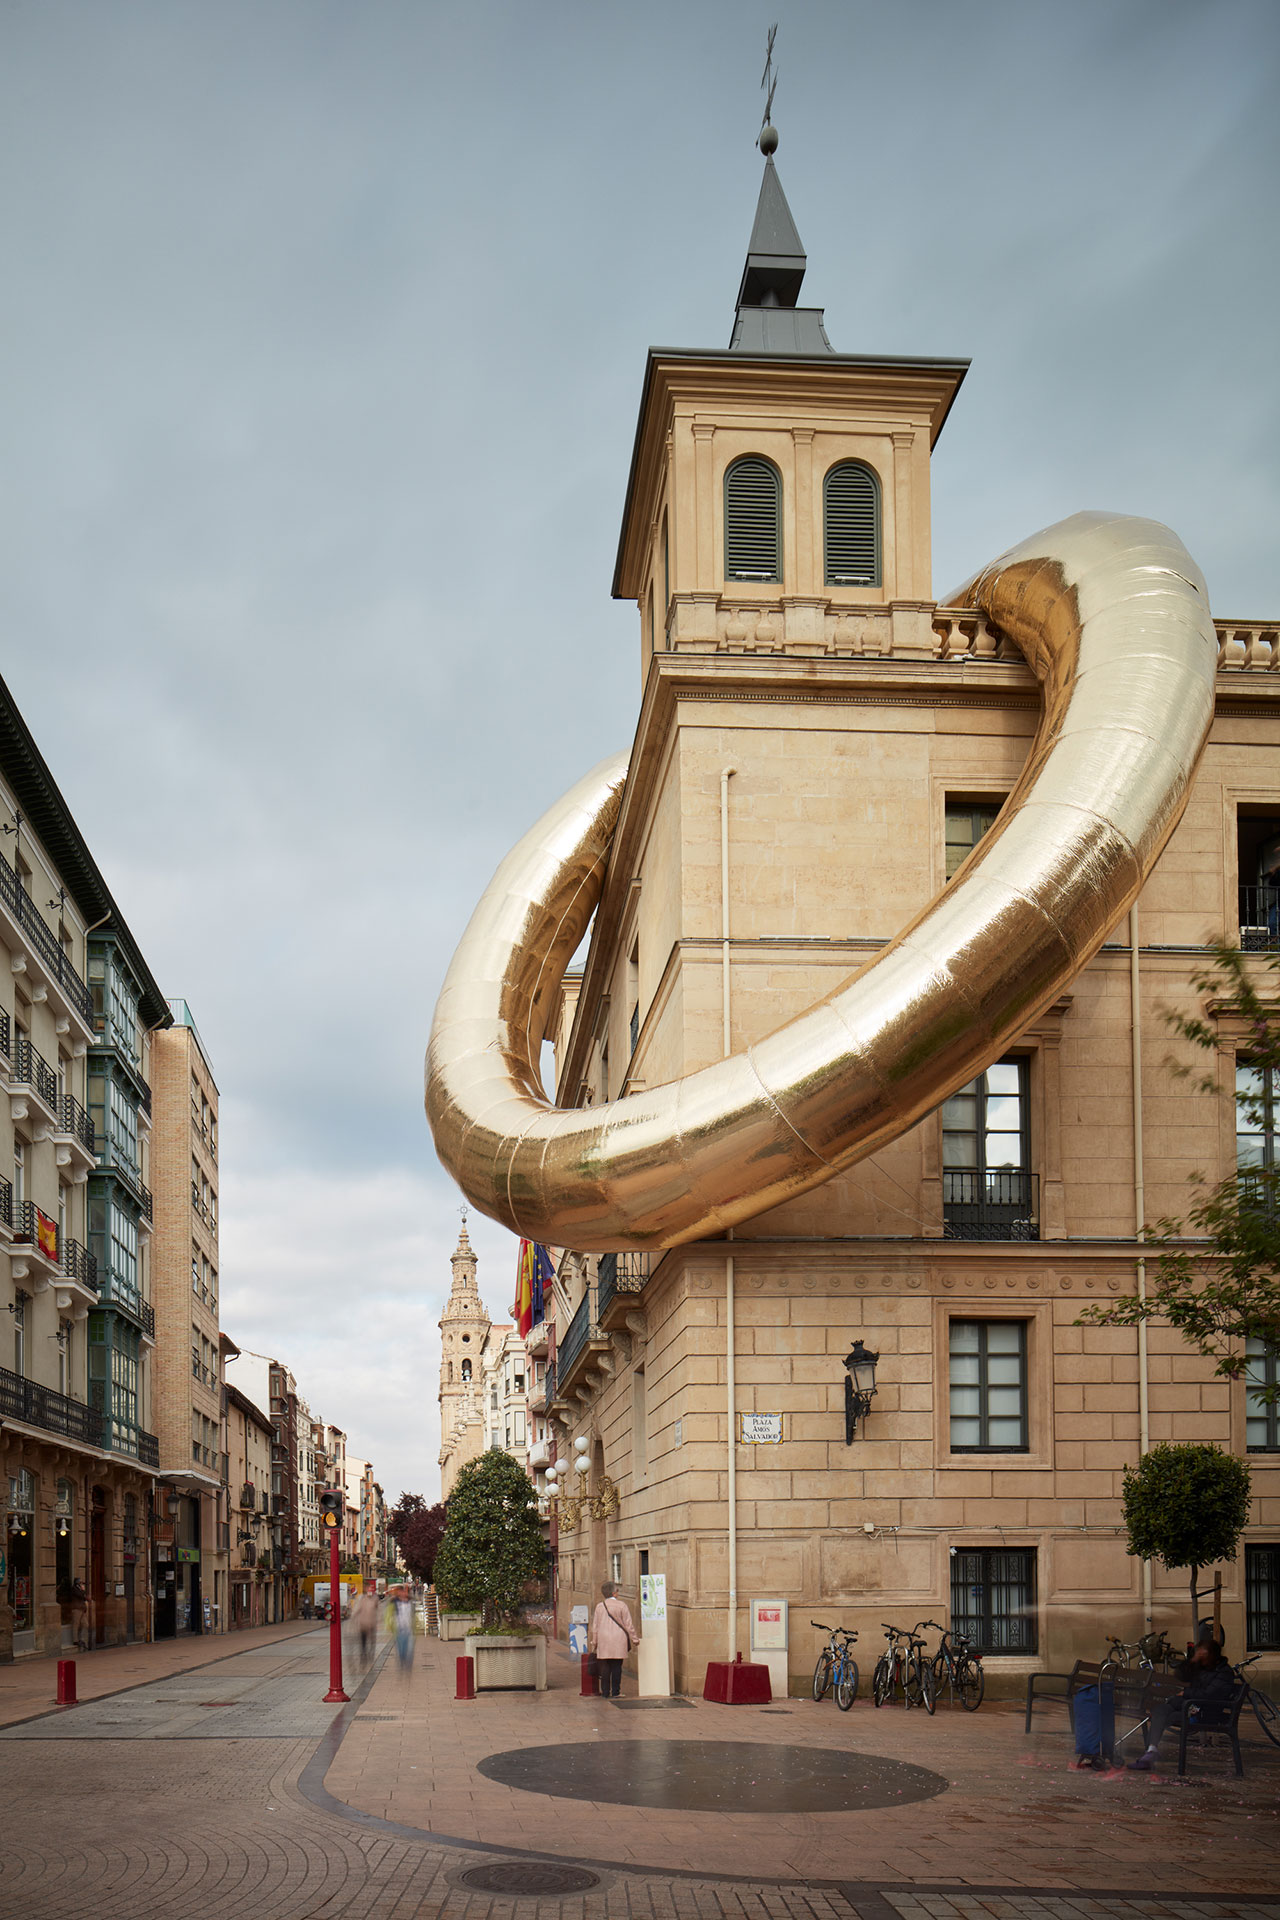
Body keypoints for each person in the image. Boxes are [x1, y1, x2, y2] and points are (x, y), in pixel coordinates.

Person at [1127, 1636, 1237, 1770]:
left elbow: (1210, 1695)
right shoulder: (1203, 1667)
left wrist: (1186, 1694)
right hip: (1192, 1707)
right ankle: (1151, 1750)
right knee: (1160, 1710)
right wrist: (1193, 1661)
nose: (1202, 1659)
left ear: (1212, 1655)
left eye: (1204, 1655)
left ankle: (1151, 1754)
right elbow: (1181, 1675)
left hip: (1208, 1713)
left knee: (1170, 1716)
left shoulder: (1224, 1673)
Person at [588, 1581, 636, 1700]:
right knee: (617, 1667)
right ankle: (616, 1692)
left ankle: (605, 1692)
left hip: (604, 1639)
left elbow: (595, 1626)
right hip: (619, 1639)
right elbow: (628, 1624)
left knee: (604, 1668)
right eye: (617, 1591)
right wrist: (634, 1638)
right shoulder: (622, 1606)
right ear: (614, 1593)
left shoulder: (600, 1606)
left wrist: (594, 1642)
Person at [351, 1588, 379, 1665]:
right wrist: (353, 1616)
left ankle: (371, 1654)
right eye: (369, 1590)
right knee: (363, 1642)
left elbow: (377, 1610)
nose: (370, 1592)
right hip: (363, 1624)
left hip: (372, 1624)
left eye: (371, 1590)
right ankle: (363, 1656)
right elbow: (357, 1609)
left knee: (372, 1642)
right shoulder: (362, 1599)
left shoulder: (375, 1599)